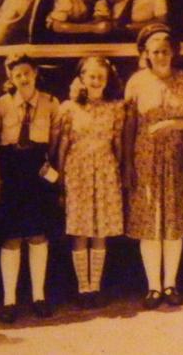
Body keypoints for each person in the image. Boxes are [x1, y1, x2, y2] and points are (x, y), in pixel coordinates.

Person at [123, 24, 183, 309]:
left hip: (176, 157)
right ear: (146, 53)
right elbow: (129, 124)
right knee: (149, 222)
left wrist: (177, 123)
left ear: (173, 53)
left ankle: (171, 283)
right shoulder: (136, 82)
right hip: (145, 156)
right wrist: (128, 163)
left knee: (173, 220)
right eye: (155, 52)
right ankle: (153, 287)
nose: (161, 56)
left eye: (165, 51)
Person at [0, 54, 63, 323]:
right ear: (10, 77)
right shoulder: (1, 106)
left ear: (35, 73)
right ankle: (9, 300)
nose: (23, 78)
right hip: (11, 170)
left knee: (37, 234)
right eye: (17, 74)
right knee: (11, 237)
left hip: (38, 170)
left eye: (27, 73)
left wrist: (51, 172)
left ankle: (38, 296)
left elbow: (55, 140)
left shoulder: (50, 103)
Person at [57, 56, 125, 309]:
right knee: (81, 229)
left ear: (107, 81)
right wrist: (61, 178)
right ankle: (82, 287)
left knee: (101, 229)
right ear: (82, 78)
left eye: (101, 77)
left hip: (105, 170)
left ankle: (95, 286)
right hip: (78, 171)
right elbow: (63, 145)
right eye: (91, 76)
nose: (96, 81)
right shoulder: (69, 108)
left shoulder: (115, 108)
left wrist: (122, 170)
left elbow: (117, 143)